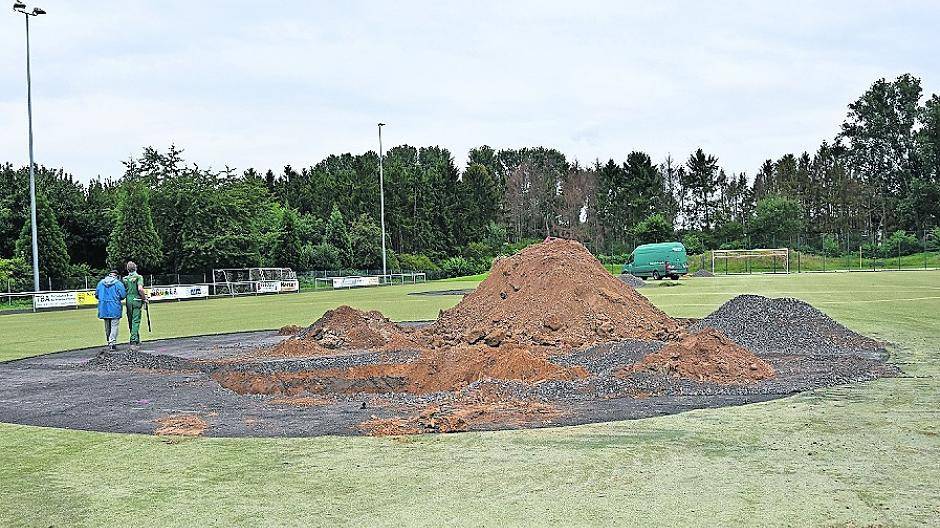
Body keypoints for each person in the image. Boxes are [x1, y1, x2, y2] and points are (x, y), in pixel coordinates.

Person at [94, 269, 127, 353]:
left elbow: (96, 295)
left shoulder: (101, 283)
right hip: (115, 307)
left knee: (107, 326)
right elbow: (123, 295)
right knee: (114, 325)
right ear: (116, 275)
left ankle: (109, 341)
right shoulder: (118, 283)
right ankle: (112, 343)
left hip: (103, 307)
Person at [123, 261, 149, 348]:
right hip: (137, 299)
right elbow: (140, 289)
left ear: (127, 269)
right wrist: (144, 298)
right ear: (136, 268)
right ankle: (133, 339)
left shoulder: (125, 279)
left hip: (128, 300)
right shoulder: (139, 277)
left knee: (130, 320)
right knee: (136, 320)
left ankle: (136, 339)